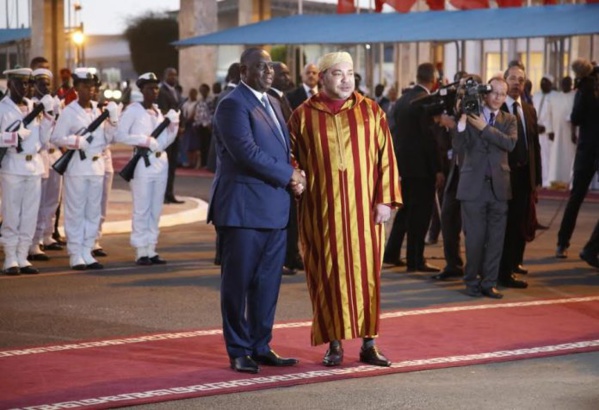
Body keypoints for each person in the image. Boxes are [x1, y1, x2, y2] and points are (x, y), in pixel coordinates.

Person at [288, 51, 402, 367]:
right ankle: (334, 345)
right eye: (337, 73)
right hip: (320, 213)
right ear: (322, 78)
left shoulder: (372, 111)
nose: (345, 79)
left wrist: (385, 199)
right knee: (326, 276)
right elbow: (289, 156)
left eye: (349, 73)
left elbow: (386, 159)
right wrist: (296, 176)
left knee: (367, 278)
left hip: (365, 214)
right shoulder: (302, 115)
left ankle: (369, 344)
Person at [209, 48, 304, 374]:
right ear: (242, 70)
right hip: (242, 210)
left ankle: (261, 346)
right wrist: (288, 175)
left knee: (267, 285)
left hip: (274, 210)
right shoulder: (232, 104)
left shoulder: (274, 102)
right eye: (260, 66)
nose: (268, 72)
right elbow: (245, 153)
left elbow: (281, 150)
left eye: (271, 67)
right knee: (238, 284)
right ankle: (238, 349)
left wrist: (295, 173)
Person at [452, 77, 517, 298]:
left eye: (503, 94)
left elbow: (509, 143)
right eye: (494, 92)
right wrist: (462, 119)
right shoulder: (470, 117)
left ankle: (489, 283)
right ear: (485, 93)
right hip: (473, 189)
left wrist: (484, 128)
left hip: (499, 188)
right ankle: (471, 282)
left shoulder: (510, 119)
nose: (498, 97)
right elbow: (458, 146)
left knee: (496, 240)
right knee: (475, 240)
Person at [50, 68, 118, 270]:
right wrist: (76, 141)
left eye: (93, 87)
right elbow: (56, 138)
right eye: (86, 87)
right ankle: (75, 252)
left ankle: (87, 250)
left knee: (93, 211)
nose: (91, 91)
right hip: (78, 166)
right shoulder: (69, 112)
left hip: (96, 166)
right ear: (77, 88)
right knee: (76, 211)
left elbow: (110, 139)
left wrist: (113, 120)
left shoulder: (98, 112)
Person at [384, 62, 444, 272]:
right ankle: (415, 260)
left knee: (406, 210)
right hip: (422, 168)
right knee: (420, 216)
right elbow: (429, 139)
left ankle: (391, 253)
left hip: (404, 165)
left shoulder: (402, 100)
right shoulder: (424, 101)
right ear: (434, 80)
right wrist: (437, 168)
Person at [115, 73, 180, 265]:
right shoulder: (133, 110)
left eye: (156, 88)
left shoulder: (158, 112)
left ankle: (151, 248)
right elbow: (120, 135)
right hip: (142, 162)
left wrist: (173, 127)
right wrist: (144, 140)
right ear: (141, 90)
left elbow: (164, 142)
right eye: (150, 88)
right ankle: (140, 249)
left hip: (161, 163)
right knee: (142, 208)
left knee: (155, 208)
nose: (154, 91)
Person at [0, 68, 54, 275]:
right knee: (12, 213)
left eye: (28, 84)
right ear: (10, 83)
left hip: (34, 166)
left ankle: (23, 256)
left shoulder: (34, 107)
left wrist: (48, 117)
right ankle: (10, 257)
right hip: (13, 165)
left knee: (30, 214)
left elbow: (43, 140)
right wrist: (12, 137)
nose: (26, 88)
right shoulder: (2, 108)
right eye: (21, 83)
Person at [498, 60, 542, 288]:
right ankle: (503, 272)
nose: (517, 83)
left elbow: (535, 145)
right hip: (505, 176)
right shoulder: (498, 110)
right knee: (506, 225)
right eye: (513, 78)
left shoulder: (528, 110)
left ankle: (514, 263)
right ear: (505, 81)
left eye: (521, 80)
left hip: (526, 176)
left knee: (521, 223)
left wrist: (537, 179)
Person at [555, 59, 599, 259]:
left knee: (576, 198)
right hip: (590, 150)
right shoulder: (587, 89)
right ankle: (585, 247)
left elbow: (576, 118)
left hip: (587, 150)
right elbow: (577, 118)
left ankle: (562, 244)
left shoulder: (584, 90)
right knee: (576, 198)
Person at [269, 61, 302, 276]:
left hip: (289, 165)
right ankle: (279, 260)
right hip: (280, 168)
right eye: (283, 74)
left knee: (292, 216)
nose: (288, 77)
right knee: (281, 218)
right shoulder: (271, 99)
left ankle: (291, 257)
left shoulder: (282, 97)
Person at [28, 68, 64, 261]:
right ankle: (34, 241)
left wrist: (56, 112)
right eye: (41, 84)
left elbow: (59, 131)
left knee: (52, 200)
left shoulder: (54, 104)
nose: (45, 87)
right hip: (39, 156)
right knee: (38, 202)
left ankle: (47, 235)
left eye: (48, 84)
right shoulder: (31, 105)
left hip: (54, 155)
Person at [157, 67, 184, 204]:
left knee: (173, 165)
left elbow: (180, 110)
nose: (173, 77)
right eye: (170, 75)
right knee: (165, 165)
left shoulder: (177, 91)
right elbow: (162, 110)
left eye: (175, 75)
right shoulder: (161, 91)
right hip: (166, 133)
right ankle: (162, 194)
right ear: (165, 76)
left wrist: (182, 126)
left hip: (176, 134)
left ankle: (170, 193)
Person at [547, 76, 576, 189]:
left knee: (570, 156)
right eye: (564, 83)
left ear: (571, 84)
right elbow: (549, 114)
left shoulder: (575, 96)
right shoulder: (555, 97)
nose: (565, 85)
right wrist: (550, 130)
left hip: (571, 132)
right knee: (556, 156)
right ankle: (556, 180)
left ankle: (570, 181)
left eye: (568, 83)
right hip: (556, 132)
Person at [532, 74, 555, 188]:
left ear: (551, 84)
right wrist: (535, 126)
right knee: (539, 156)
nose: (543, 84)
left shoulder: (555, 97)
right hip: (537, 131)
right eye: (542, 82)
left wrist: (548, 128)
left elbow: (554, 115)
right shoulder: (536, 96)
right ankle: (540, 180)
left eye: (546, 82)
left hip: (548, 133)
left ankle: (548, 180)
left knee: (548, 157)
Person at [193, 83, 213, 168]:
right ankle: (202, 163)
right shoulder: (200, 101)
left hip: (207, 126)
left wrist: (210, 124)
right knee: (201, 145)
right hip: (200, 125)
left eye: (204, 90)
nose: (202, 92)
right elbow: (198, 113)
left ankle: (207, 163)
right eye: (201, 90)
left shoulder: (210, 100)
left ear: (207, 91)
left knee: (207, 144)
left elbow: (212, 113)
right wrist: (196, 123)